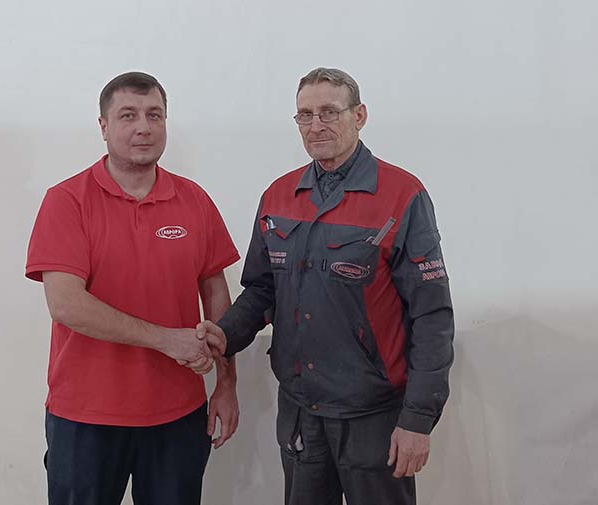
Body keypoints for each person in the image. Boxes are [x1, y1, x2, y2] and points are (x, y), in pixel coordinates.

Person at [197, 67, 454, 505]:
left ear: (360, 115)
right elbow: (262, 291)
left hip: (373, 415)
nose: (316, 125)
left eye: (329, 112)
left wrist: (417, 419)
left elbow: (431, 316)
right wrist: (225, 334)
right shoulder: (279, 196)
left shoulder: (401, 195)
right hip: (300, 412)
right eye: (305, 114)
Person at [25, 71, 240, 505]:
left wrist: (226, 383)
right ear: (103, 127)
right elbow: (66, 304)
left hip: (178, 414)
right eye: (128, 115)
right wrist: (166, 340)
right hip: (85, 416)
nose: (144, 127)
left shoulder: (194, 200)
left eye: (154, 115)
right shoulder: (67, 200)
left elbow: (216, 295)